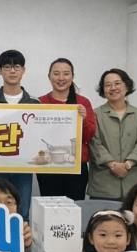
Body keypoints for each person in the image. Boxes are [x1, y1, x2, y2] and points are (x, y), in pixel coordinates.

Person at [0, 50, 38, 220]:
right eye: (7, 67)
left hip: (23, 168)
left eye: (17, 67)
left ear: (23, 70)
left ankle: (20, 238)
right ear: (0, 71)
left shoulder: (35, 103)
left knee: (21, 212)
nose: (12, 71)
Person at [38, 58, 96, 200]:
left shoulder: (83, 102)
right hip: (48, 166)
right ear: (49, 76)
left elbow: (89, 136)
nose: (61, 78)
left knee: (74, 207)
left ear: (72, 76)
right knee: (50, 207)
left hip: (76, 166)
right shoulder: (40, 102)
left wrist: (83, 119)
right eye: (56, 73)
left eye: (66, 73)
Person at [89, 69, 137, 200]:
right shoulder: (95, 114)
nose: (113, 88)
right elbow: (95, 144)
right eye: (108, 85)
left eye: (117, 83)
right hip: (104, 185)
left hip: (134, 183)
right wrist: (112, 165)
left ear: (126, 86)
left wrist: (128, 164)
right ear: (103, 90)